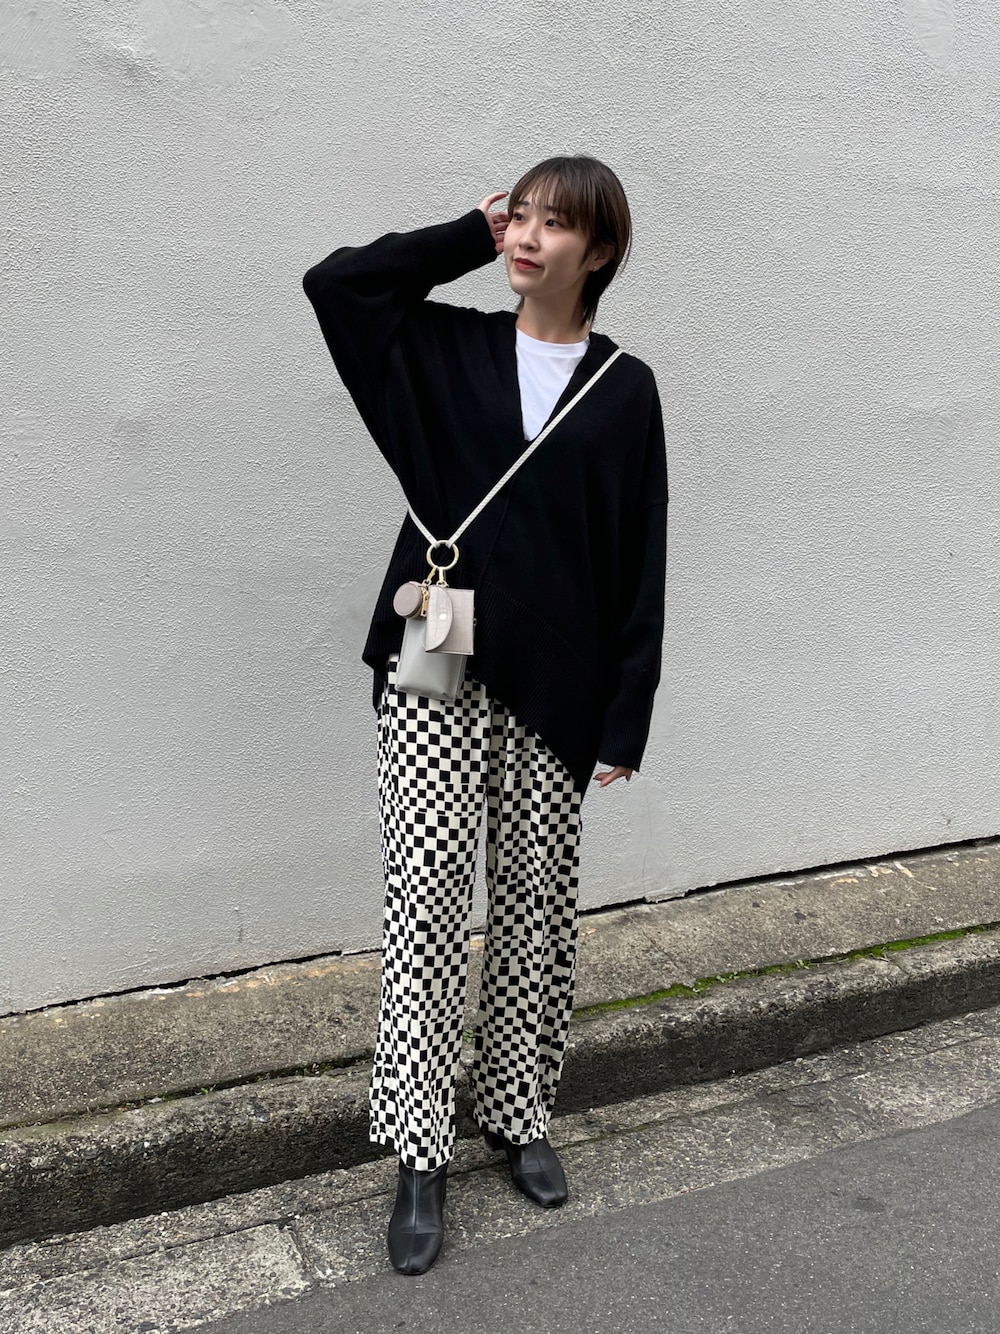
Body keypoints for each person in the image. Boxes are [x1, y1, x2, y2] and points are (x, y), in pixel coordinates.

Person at [302, 155, 667, 1275]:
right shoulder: (442, 349)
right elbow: (338, 285)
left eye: (554, 223)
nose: (528, 236)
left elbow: (639, 559)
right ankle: (419, 1151)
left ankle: (516, 1112)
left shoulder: (625, 389)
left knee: (534, 909)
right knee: (423, 903)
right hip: (434, 668)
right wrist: (465, 229)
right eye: (521, 216)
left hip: (557, 686)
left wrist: (624, 716)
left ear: (599, 252)